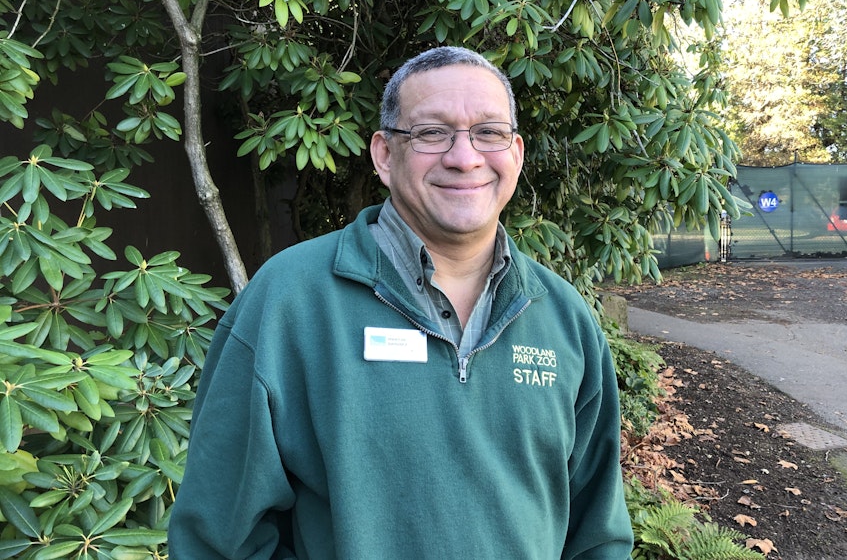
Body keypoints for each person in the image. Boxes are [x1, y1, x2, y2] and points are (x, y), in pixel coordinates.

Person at [168, 46, 634, 559]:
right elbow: (220, 537)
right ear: (385, 154)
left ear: (516, 153)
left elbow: (598, 534)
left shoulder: (562, 317)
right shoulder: (290, 301)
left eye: (489, 132)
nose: (464, 157)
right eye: (433, 133)